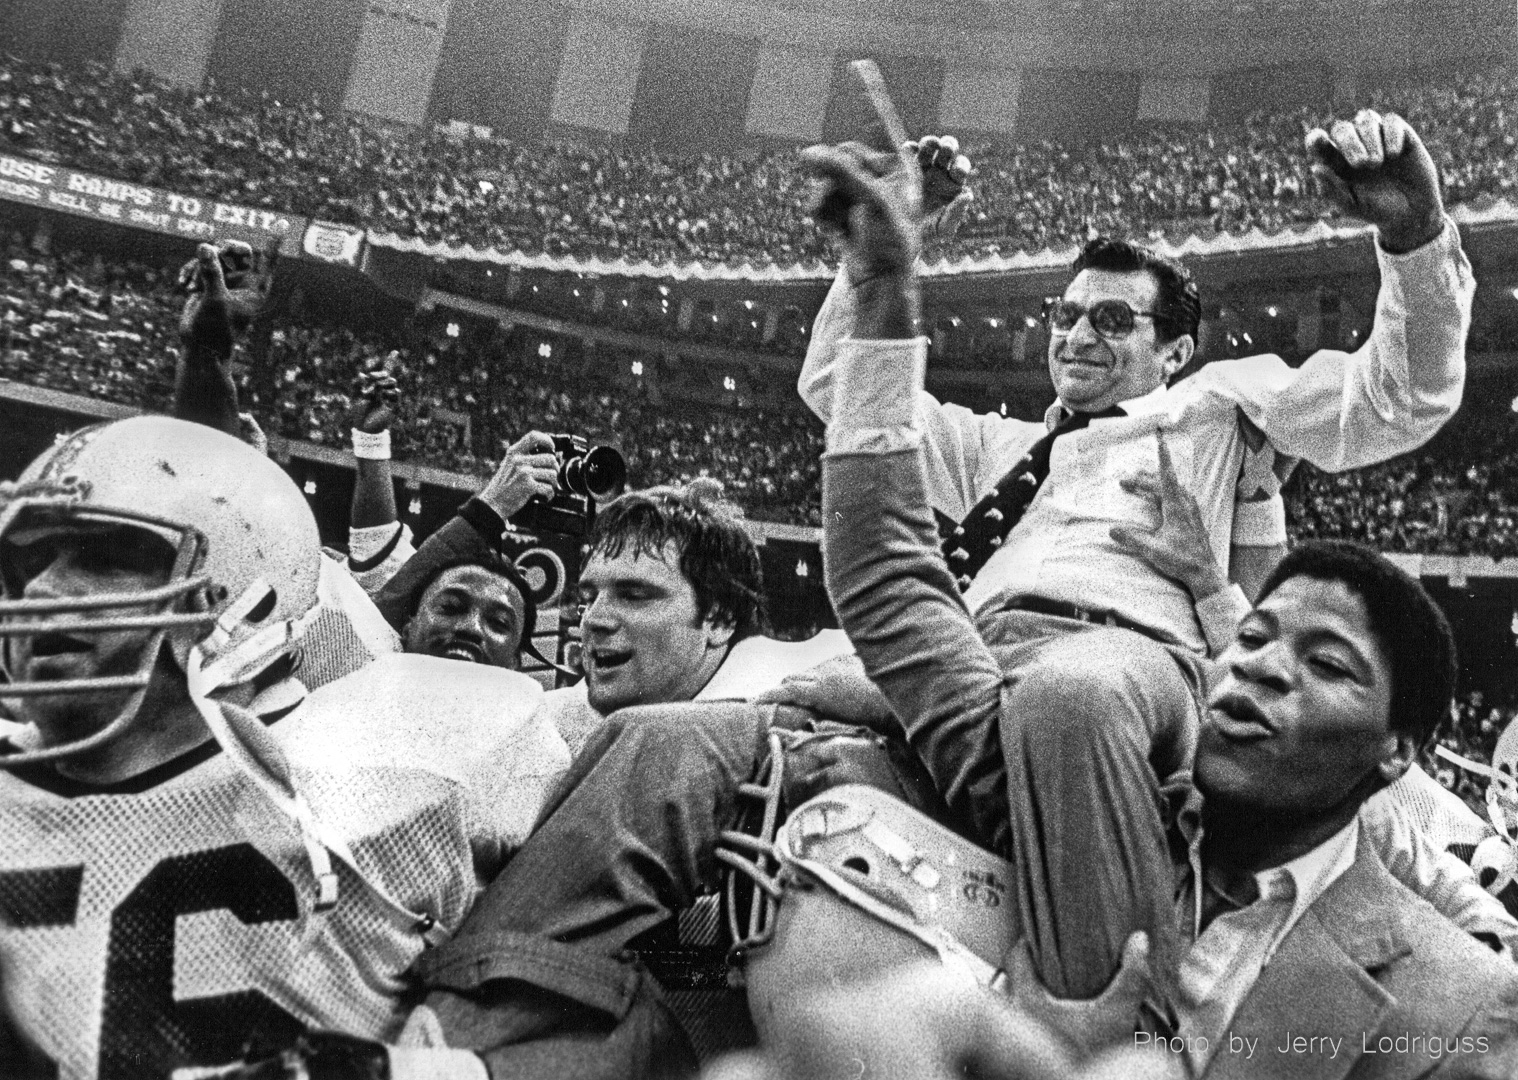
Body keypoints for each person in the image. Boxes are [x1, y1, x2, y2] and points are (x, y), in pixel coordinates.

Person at [799, 108, 1472, 1001]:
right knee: (690, 742)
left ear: (1176, 350)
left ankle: (1123, 1032)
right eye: (1067, 314)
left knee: (1075, 694)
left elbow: (1396, 401)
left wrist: (1413, 235)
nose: (1077, 336)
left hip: (1130, 667)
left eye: (1114, 319)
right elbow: (837, 390)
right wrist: (873, 266)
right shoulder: (991, 451)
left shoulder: (1217, 409)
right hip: (972, 663)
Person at [753, 542, 1518, 1080]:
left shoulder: (1465, 1006)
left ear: (1396, 752)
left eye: (1326, 664)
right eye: (1251, 636)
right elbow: (888, 575)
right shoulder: (1075, 803)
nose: (1260, 664)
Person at [0, 415, 568, 1080]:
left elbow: (590, 1020)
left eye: (106, 558)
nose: (41, 591)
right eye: (32, 562)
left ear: (237, 591)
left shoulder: (416, 756)